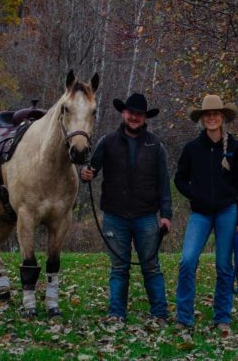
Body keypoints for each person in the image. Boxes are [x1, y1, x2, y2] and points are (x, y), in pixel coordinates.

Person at [81, 93, 172, 326]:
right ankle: (116, 313)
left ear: (144, 118)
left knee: (151, 267)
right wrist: (86, 174)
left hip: (147, 217)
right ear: (123, 113)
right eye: (130, 113)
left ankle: (160, 313)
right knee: (119, 268)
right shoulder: (107, 141)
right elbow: (91, 170)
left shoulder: (155, 145)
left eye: (138, 114)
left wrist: (166, 216)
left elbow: (164, 184)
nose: (134, 117)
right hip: (114, 216)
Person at [174, 94, 238, 332]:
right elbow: (179, 179)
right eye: (208, 115)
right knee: (187, 260)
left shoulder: (235, 148)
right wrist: (194, 193)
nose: (212, 118)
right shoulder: (192, 148)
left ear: (223, 117)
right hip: (200, 214)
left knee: (224, 266)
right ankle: (184, 317)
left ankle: (222, 317)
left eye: (216, 114)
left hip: (228, 212)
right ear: (202, 119)